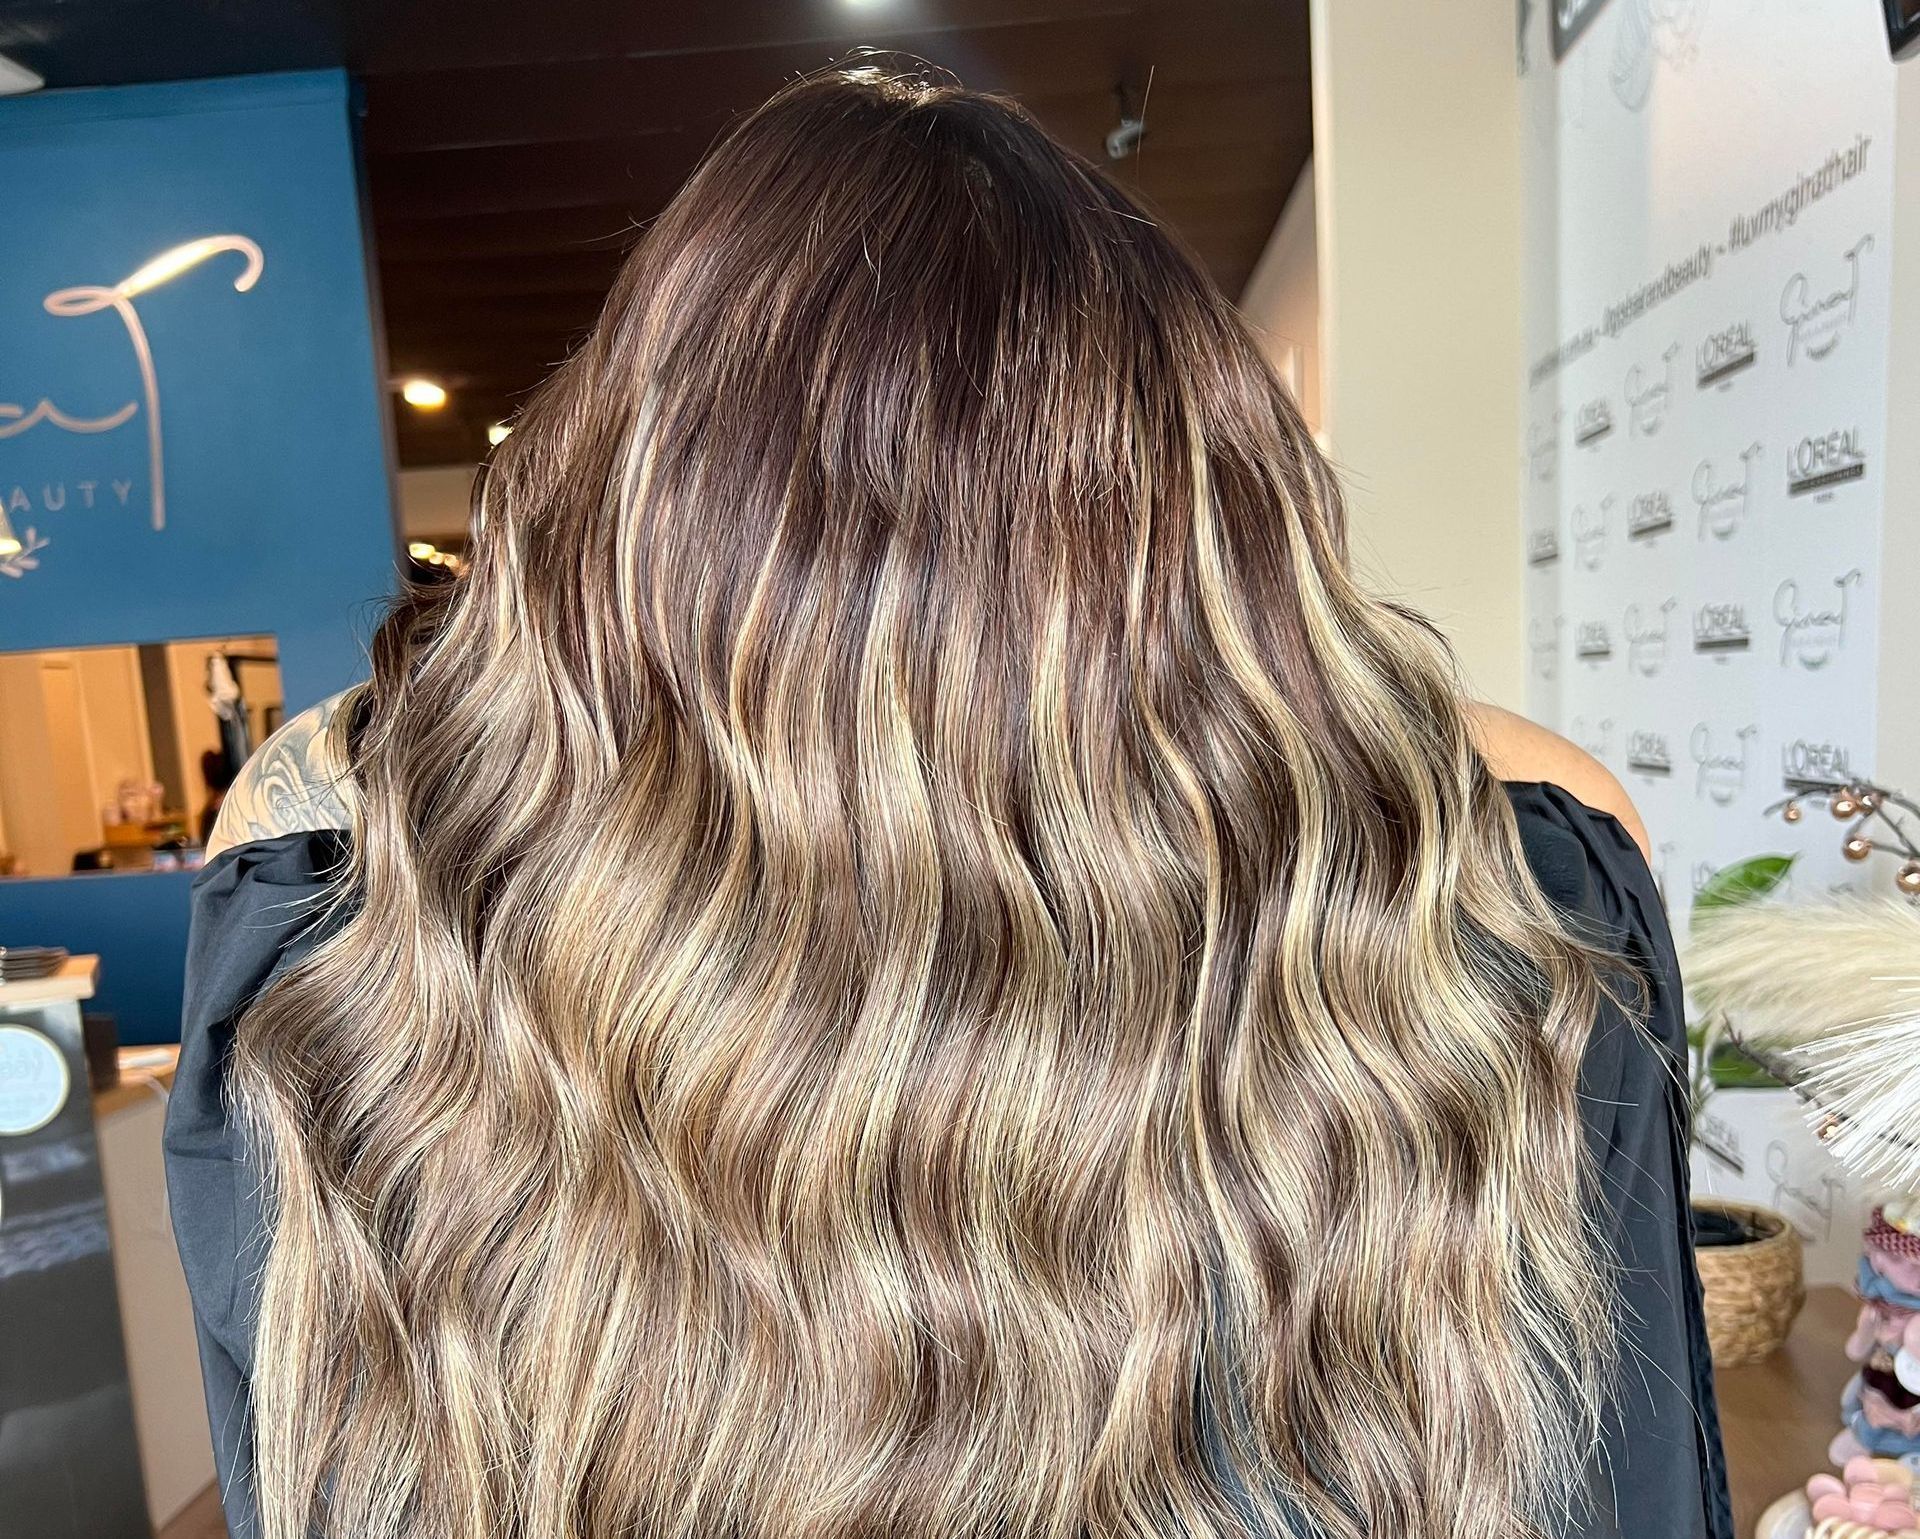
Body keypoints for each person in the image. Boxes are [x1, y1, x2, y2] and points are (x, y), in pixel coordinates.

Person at [165, 69, 1728, 1539]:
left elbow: (303, 1460)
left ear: (632, 479)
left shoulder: (343, 875)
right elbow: (1623, 1481)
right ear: (1213, 488)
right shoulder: (1503, 853)